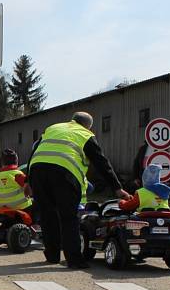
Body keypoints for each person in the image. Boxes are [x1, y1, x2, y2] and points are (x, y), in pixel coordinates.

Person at [27, 111, 131, 268]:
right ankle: (74, 260)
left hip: (37, 170)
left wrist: (28, 182)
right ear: (88, 126)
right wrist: (117, 188)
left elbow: (34, 152)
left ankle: (52, 256)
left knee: (48, 216)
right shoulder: (85, 134)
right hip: (64, 174)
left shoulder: (53, 127)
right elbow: (102, 163)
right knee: (69, 218)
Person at [0, 148, 32, 214]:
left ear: (2, 163)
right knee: (36, 205)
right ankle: (36, 224)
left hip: (2, 208)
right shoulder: (18, 174)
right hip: (22, 207)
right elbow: (29, 190)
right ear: (17, 162)